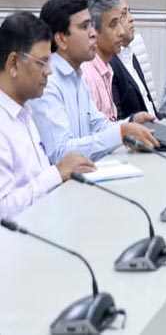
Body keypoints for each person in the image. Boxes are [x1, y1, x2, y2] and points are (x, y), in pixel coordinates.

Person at [27, 0, 159, 164]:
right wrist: (121, 133)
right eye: (84, 27)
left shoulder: (77, 74)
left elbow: (99, 126)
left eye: (91, 25)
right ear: (61, 39)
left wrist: (131, 123)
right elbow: (60, 153)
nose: (93, 33)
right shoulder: (47, 82)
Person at [0, 13, 95, 219]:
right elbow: (3, 210)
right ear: (14, 63)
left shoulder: (24, 112)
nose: (49, 71)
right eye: (41, 63)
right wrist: (57, 173)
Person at [102, 0, 156, 120]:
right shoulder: (109, 65)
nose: (131, 18)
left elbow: (148, 104)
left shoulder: (130, 52)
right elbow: (118, 121)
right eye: (124, 14)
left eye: (129, 12)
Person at [80, 0, 123, 121]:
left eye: (120, 22)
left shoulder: (106, 68)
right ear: (93, 31)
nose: (121, 32)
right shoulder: (88, 77)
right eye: (113, 25)